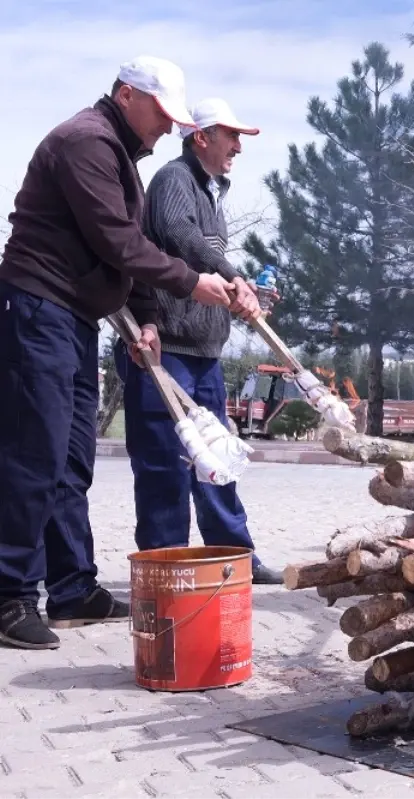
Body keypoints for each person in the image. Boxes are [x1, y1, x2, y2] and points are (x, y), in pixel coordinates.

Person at [0, 57, 237, 650]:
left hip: (75, 318)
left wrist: (147, 320)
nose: (167, 127)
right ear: (127, 95)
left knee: (72, 456)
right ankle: (8, 593)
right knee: (35, 453)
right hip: (36, 310)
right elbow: (118, 241)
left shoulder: (117, 156)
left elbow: (119, 254)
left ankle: (74, 588)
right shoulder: (85, 143)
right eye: (161, 113)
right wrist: (191, 281)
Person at [121, 97, 283, 584]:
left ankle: (234, 557)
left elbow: (201, 256)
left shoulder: (212, 190)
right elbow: (176, 233)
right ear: (202, 137)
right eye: (232, 136)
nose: (238, 146)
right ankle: (164, 566)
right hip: (164, 353)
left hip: (205, 355)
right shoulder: (175, 179)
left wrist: (243, 290)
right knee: (164, 468)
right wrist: (235, 278)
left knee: (220, 461)